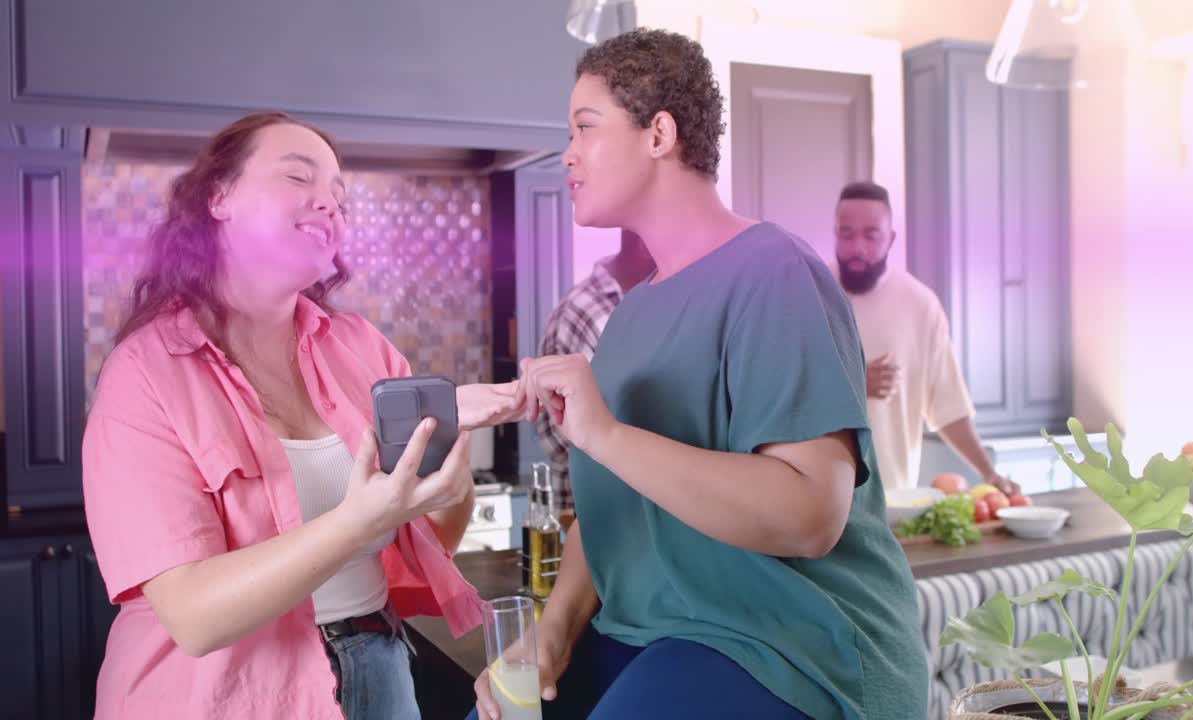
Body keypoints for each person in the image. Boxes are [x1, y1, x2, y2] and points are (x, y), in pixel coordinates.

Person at [472, 30, 928, 720]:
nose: (566, 154)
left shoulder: (775, 272)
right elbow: (613, 512)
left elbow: (811, 516)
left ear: (659, 133)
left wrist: (607, 435)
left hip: (791, 646)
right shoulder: (630, 316)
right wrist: (553, 630)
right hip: (648, 632)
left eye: (585, 128)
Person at [82, 111, 525, 720]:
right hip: (223, 699)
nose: (329, 206)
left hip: (381, 668)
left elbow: (430, 536)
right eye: (298, 177)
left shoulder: (361, 347)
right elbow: (192, 615)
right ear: (219, 197)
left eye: (340, 198)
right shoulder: (144, 374)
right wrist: (357, 520)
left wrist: (448, 454)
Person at [831, 181, 1020, 496]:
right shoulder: (811, 295)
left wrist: (989, 473)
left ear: (891, 239)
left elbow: (948, 407)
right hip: (819, 500)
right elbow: (782, 394)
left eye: (871, 235)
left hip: (894, 498)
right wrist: (855, 384)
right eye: (846, 234)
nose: (857, 248)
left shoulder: (920, 305)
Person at [535, 229, 654, 510]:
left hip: (647, 502)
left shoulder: (654, 302)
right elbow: (557, 434)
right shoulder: (586, 310)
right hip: (598, 509)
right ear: (644, 245)